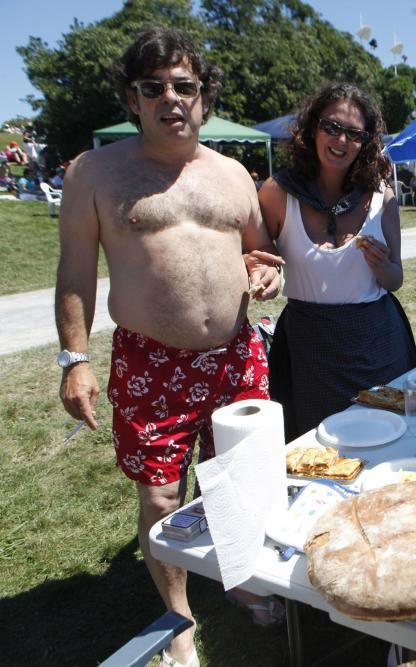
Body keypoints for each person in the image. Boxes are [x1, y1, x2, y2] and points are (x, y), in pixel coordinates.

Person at [54, 27, 285, 667]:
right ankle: (178, 620)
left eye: (184, 86)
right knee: (161, 496)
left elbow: (259, 255)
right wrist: (74, 359)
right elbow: (73, 276)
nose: (170, 98)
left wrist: (269, 273)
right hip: (151, 361)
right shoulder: (96, 173)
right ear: (132, 99)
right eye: (153, 87)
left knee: (238, 482)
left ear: (203, 96)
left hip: (238, 355)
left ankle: (238, 581)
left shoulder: (235, 174)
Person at [259, 82, 416, 441]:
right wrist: (264, 270)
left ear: (365, 142)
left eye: (354, 133)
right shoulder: (277, 193)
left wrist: (383, 267)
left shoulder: (383, 198)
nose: (341, 140)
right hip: (309, 346)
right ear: (313, 128)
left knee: (386, 439)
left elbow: (395, 280)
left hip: (377, 339)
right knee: (316, 448)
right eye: (332, 127)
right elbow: (258, 254)